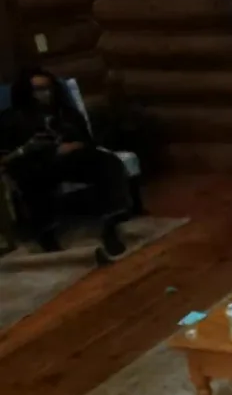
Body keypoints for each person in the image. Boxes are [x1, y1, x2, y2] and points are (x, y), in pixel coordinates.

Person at [0, 68, 133, 261]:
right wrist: (27, 148)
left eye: (48, 88)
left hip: (69, 159)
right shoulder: (11, 118)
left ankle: (112, 223)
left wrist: (75, 145)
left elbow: (89, 141)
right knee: (32, 176)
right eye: (38, 89)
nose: (45, 93)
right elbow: (5, 158)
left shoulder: (66, 113)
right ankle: (46, 234)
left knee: (108, 162)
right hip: (33, 163)